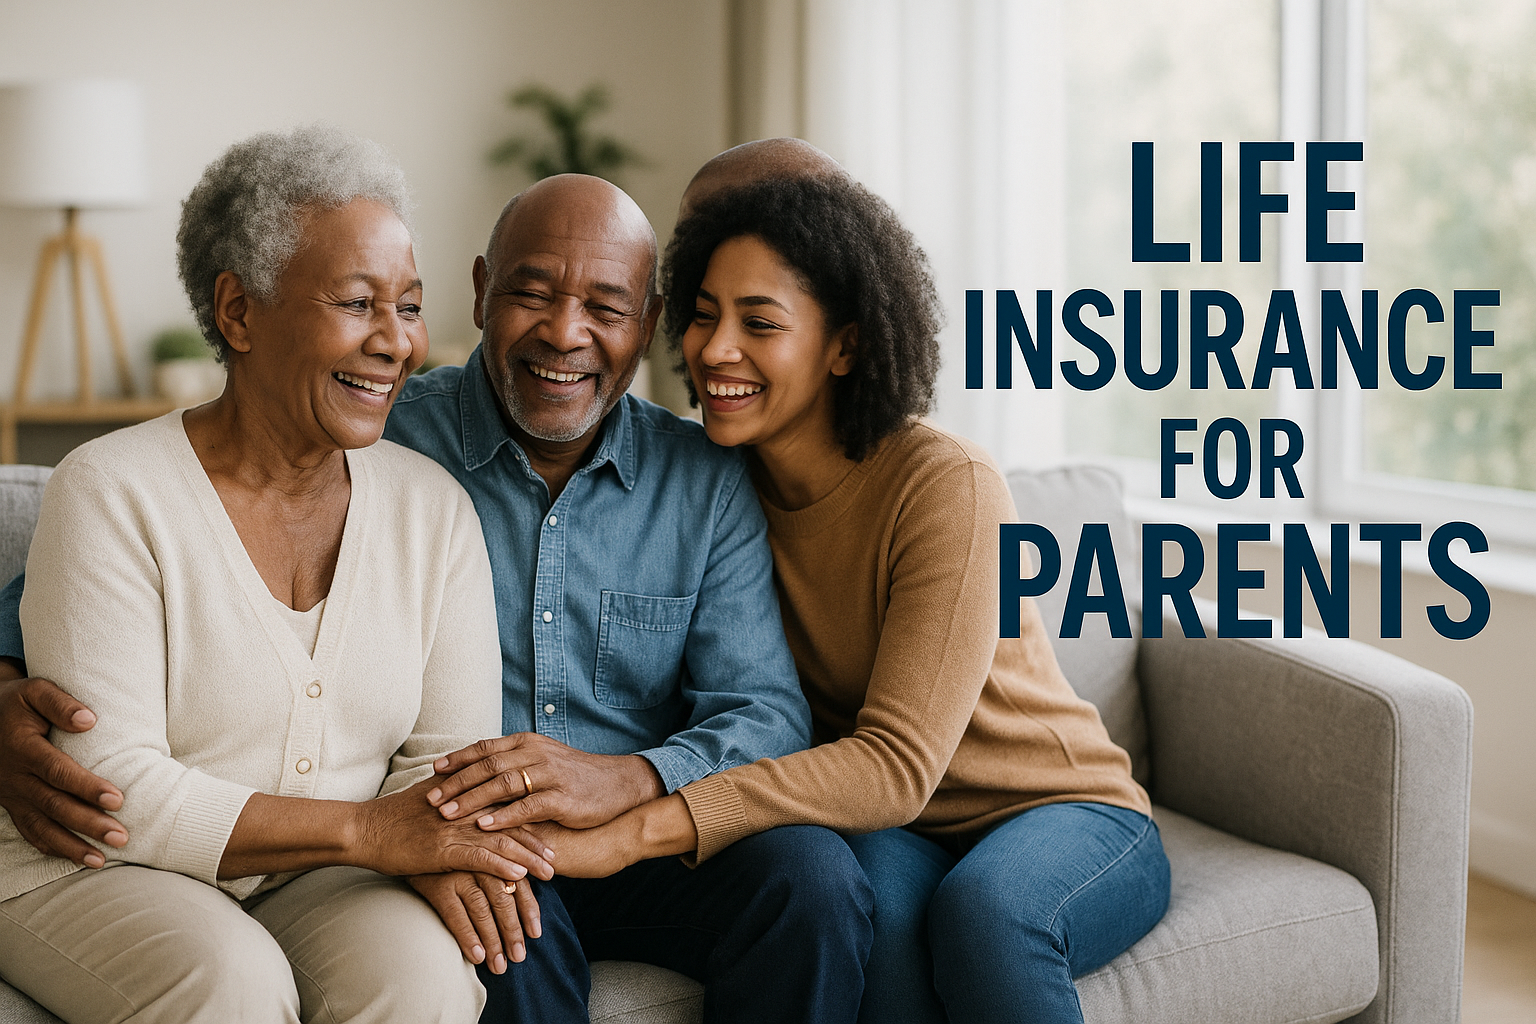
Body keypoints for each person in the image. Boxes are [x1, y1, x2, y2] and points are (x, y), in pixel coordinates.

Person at [0, 172, 874, 1024]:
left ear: (647, 325)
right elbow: (76, 579)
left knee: (813, 878)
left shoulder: (702, 483)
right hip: (461, 839)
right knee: (497, 940)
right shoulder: (375, 427)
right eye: (532, 293)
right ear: (483, 293)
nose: (565, 334)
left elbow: (762, 713)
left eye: (607, 308)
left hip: (631, 835)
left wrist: (629, 782)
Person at [447, 171, 1173, 1024]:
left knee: (987, 919)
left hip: (1050, 805)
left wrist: (634, 820)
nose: (715, 350)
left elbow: (895, 766)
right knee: (869, 911)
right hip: (886, 829)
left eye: (760, 323)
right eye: (706, 315)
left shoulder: (946, 485)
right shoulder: (715, 479)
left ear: (844, 345)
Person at [0, 126, 538, 1023]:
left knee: (425, 978)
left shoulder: (432, 509)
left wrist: (417, 837)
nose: (396, 341)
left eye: (408, 305)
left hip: (319, 878)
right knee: (230, 982)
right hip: (96, 866)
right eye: (358, 302)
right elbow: (109, 783)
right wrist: (368, 833)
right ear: (240, 313)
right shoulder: (111, 488)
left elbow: (445, 761)